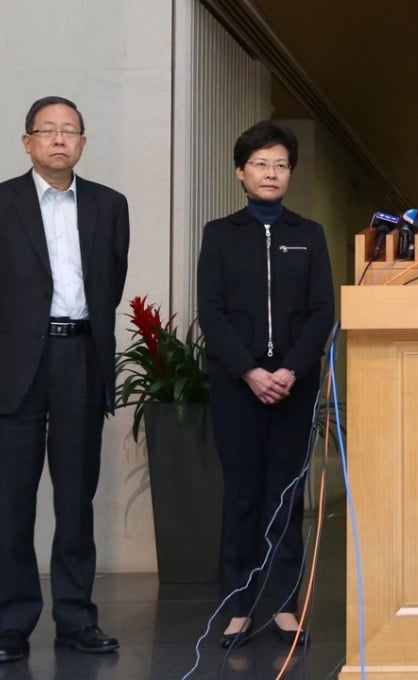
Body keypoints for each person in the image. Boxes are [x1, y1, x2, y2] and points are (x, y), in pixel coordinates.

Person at [0, 96, 129, 663]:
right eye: (47, 131)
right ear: (27, 142)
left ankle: (77, 620)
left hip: (80, 356)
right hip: (15, 368)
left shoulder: (109, 205)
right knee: (11, 502)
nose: (58, 140)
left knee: (77, 500)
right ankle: (10, 624)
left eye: (69, 131)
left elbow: (111, 283)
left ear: (82, 142)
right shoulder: (2, 202)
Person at [197, 121, 334, 648]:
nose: (271, 173)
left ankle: (282, 604)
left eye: (280, 164)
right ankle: (236, 606)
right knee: (242, 496)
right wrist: (250, 371)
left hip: (293, 385)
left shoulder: (309, 234)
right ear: (240, 172)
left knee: (286, 496)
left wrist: (292, 369)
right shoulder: (219, 234)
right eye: (260, 164)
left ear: (290, 174)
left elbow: (322, 310)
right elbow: (210, 311)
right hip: (238, 385)